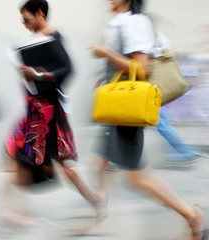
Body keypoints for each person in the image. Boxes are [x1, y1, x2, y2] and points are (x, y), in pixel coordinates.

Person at [90, 0, 207, 239]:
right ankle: (101, 221)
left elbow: (141, 68)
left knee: (136, 178)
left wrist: (105, 53)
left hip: (126, 109)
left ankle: (191, 215)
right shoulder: (122, 23)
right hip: (116, 107)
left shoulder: (135, 23)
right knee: (101, 166)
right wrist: (107, 74)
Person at [0, 0, 106, 230]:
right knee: (14, 153)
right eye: (22, 21)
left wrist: (37, 73)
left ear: (40, 13)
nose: (24, 24)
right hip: (33, 112)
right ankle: (15, 211)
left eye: (27, 19)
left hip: (48, 114)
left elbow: (67, 69)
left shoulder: (53, 37)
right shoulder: (31, 42)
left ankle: (94, 199)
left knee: (62, 165)